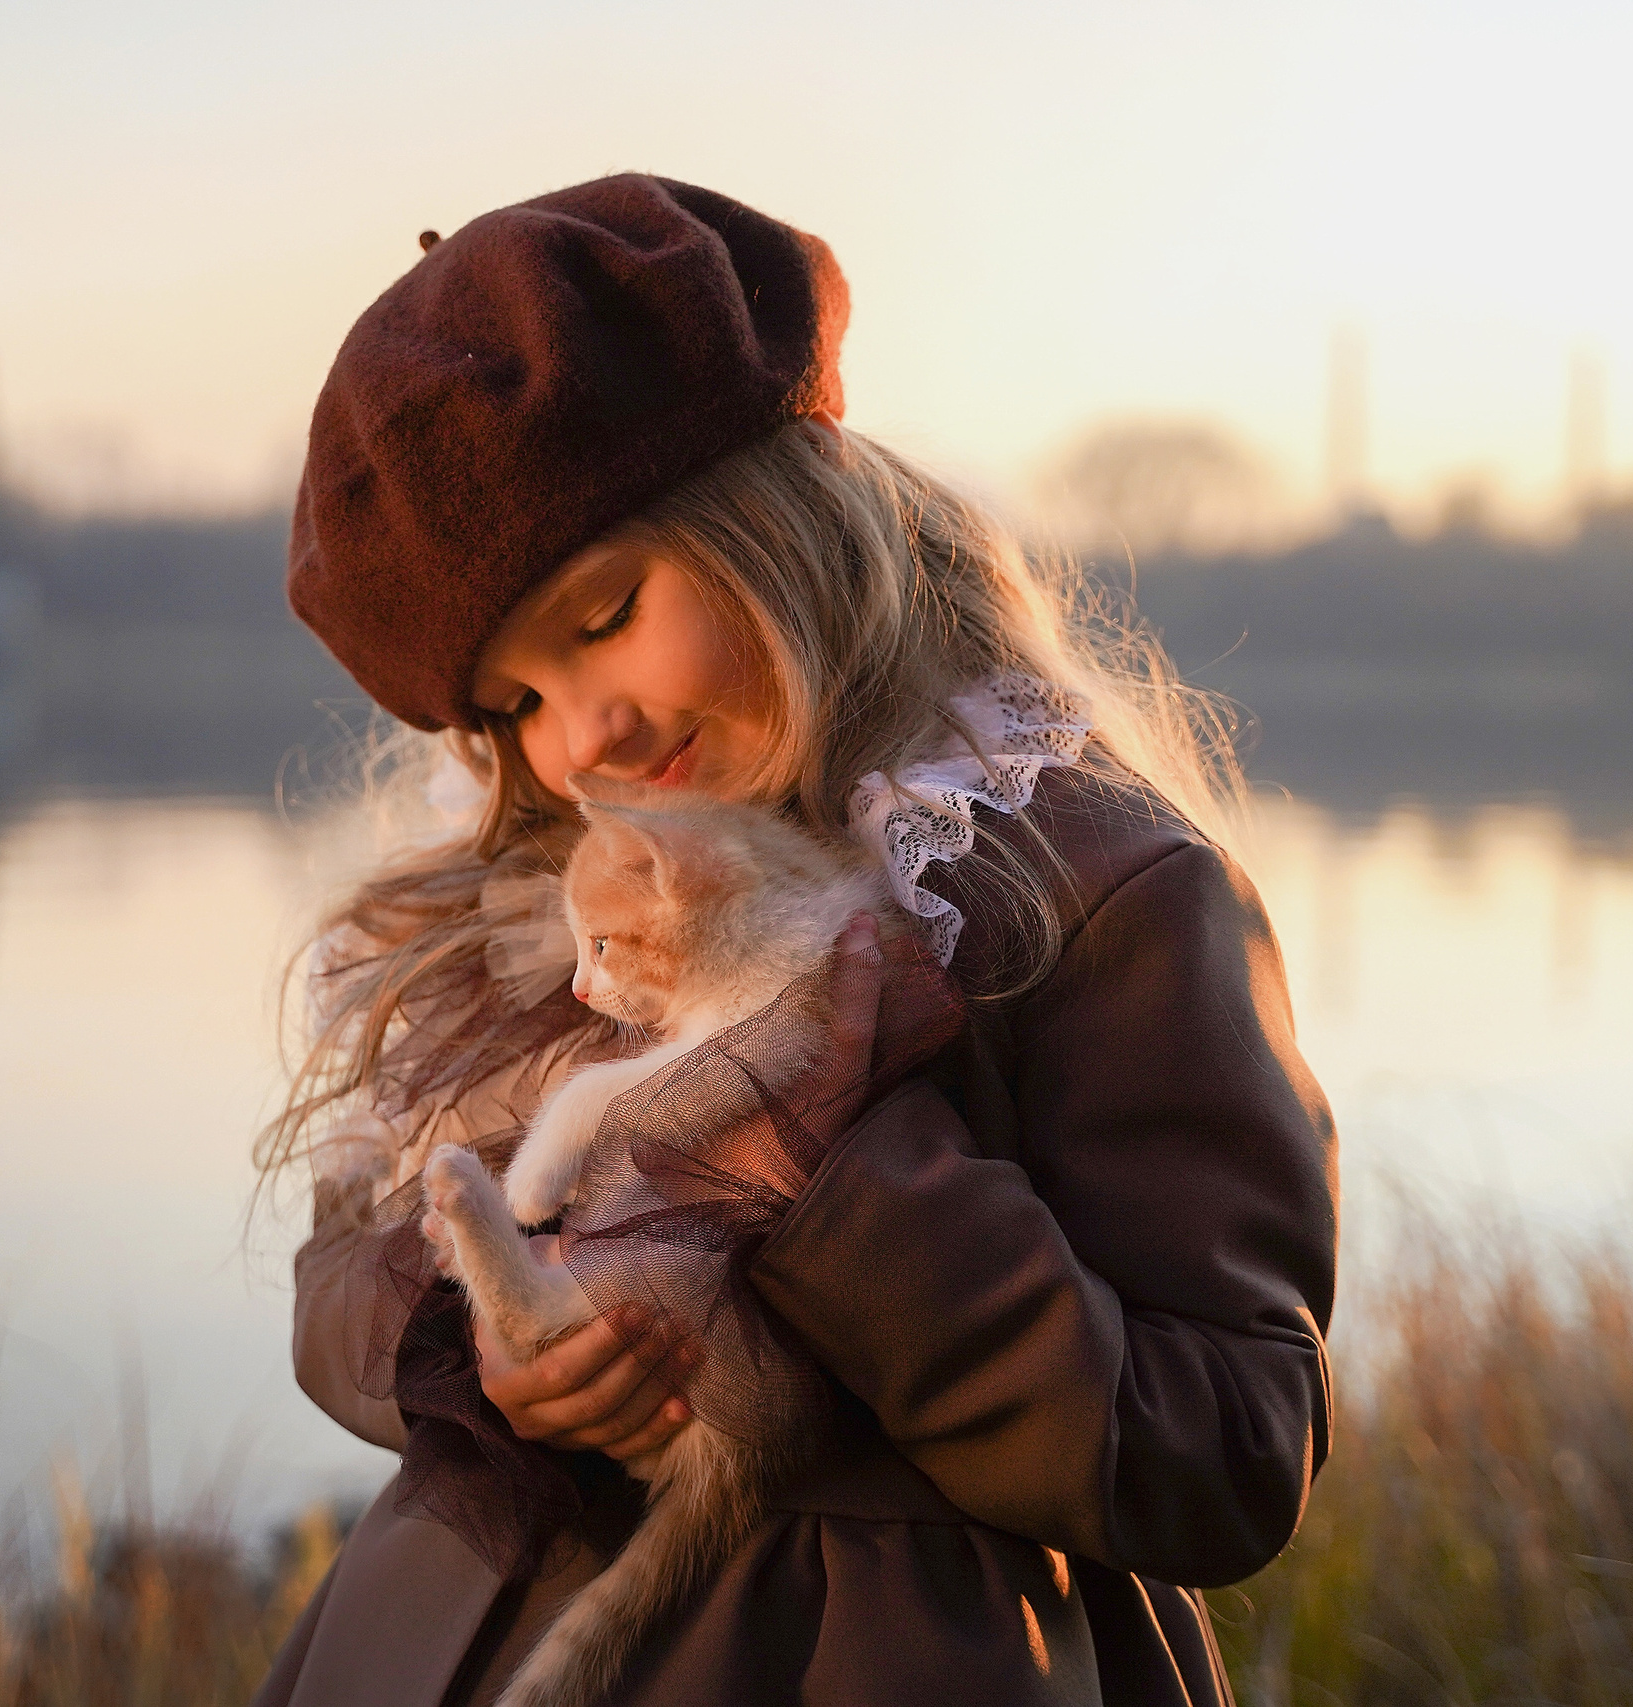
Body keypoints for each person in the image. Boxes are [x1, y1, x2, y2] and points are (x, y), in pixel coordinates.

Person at [251, 174, 1336, 1707]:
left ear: (781, 513)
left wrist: (830, 1166)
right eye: (513, 706)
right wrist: (487, 1358)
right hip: (455, 1637)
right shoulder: (549, 884)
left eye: (608, 611)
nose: (586, 735)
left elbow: (1228, 1452)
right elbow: (342, 1262)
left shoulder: (1078, 883)